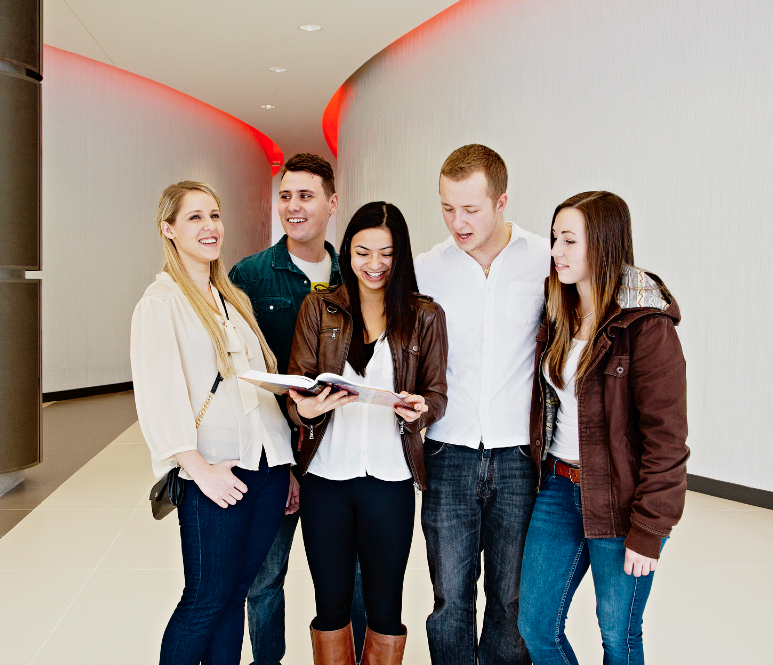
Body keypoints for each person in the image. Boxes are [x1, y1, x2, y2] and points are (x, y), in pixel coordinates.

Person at [518, 191, 689, 665]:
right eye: (555, 239)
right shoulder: (558, 312)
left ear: (606, 245)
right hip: (557, 487)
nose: (555, 252)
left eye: (569, 241)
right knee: (535, 627)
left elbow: (667, 438)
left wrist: (650, 529)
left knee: (619, 637)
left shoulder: (646, 325)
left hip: (621, 498)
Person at [130, 181, 295, 665]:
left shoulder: (233, 299)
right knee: (205, 599)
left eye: (215, 216)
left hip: (264, 468)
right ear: (169, 229)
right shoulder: (163, 302)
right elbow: (159, 394)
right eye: (195, 217)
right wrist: (197, 468)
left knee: (236, 591)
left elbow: (256, 386)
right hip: (215, 472)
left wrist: (283, 464)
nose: (210, 227)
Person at [286, 201, 448, 665]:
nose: (374, 265)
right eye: (362, 252)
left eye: (386, 253)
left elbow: (436, 393)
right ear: (347, 253)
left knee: (385, 607)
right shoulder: (319, 307)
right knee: (331, 605)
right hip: (325, 478)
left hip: (390, 480)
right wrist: (308, 408)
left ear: (402, 256)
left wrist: (421, 410)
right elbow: (297, 387)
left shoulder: (424, 316)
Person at [413, 144, 550, 665]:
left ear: (502, 201)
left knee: (512, 598)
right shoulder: (430, 268)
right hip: (449, 452)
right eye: (447, 208)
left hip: (519, 456)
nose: (458, 222)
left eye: (470, 209)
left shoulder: (543, 260)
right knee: (450, 596)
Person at [229, 153, 368, 665]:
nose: (293, 207)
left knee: (351, 574)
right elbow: (241, 378)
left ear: (332, 204)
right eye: (285, 196)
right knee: (266, 578)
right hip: (276, 457)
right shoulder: (250, 276)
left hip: (345, 453)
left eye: (305, 196)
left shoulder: (356, 273)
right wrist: (282, 462)